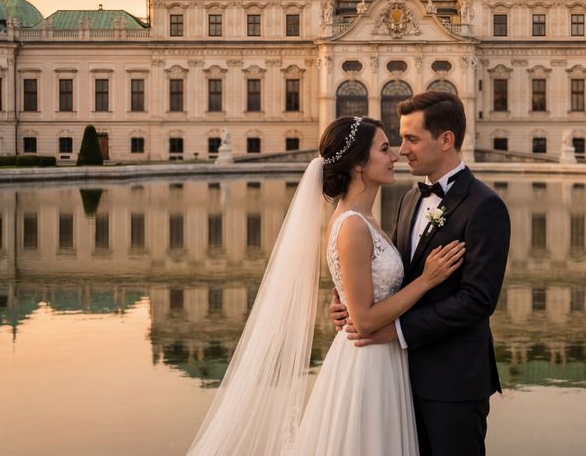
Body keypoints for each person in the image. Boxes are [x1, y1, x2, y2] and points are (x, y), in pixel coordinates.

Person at [187, 115, 466, 456]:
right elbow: (363, 321)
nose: (395, 155)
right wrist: (426, 281)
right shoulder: (352, 225)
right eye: (383, 149)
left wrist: (344, 300)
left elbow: (367, 290)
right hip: (367, 362)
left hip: (381, 357)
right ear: (359, 165)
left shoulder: (364, 218)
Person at [331, 91, 511, 455]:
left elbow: (478, 300)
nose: (402, 149)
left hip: (452, 382)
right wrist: (345, 299)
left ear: (445, 140)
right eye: (398, 140)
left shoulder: (485, 206)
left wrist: (396, 330)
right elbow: (392, 271)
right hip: (395, 377)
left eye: (411, 138)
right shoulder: (411, 198)